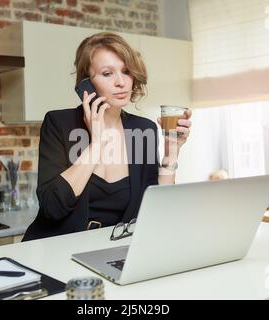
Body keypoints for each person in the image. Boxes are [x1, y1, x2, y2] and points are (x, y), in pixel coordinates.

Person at [23, 32, 192, 241]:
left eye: (126, 71)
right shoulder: (59, 124)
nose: (121, 82)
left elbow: (157, 212)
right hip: (52, 252)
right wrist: (98, 142)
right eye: (107, 73)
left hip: (109, 252)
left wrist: (171, 154)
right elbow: (52, 208)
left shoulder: (143, 130)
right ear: (87, 84)